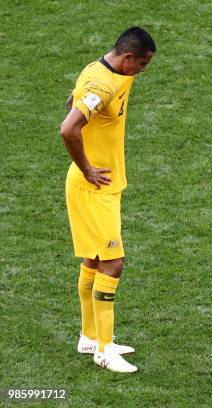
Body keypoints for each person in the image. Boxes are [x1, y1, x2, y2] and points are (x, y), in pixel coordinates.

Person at [60, 27, 155, 373]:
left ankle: (89, 336)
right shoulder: (103, 85)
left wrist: (77, 104)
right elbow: (68, 128)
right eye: (142, 65)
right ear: (128, 57)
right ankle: (104, 350)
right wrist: (86, 168)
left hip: (102, 187)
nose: (142, 71)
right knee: (113, 263)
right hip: (93, 187)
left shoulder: (100, 71)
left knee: (93, 260)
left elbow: (76, 101)